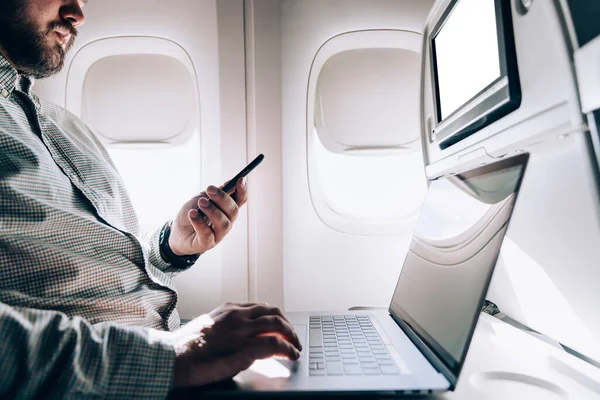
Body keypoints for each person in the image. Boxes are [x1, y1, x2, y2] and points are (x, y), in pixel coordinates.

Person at [0, 0, 301, 398]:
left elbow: (90, 259)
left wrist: (171, 246)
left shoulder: (64, 126)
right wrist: (169, 355)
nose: (77, 12)